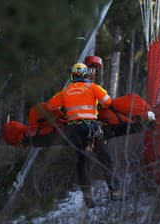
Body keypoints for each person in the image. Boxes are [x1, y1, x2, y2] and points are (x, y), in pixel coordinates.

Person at [46, 62, 121, 208]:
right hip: (91, 127)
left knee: (82, 162)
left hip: (74, 130)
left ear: (72, 76)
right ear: (86, 75)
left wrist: (64, 110)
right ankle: (115, 192)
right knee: (105, 158)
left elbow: (49, 107)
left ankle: (87, 197)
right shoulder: (93, 87)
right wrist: (96, 104)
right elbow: (108, 101)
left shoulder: (65, 91)